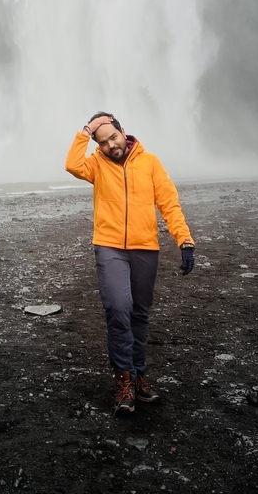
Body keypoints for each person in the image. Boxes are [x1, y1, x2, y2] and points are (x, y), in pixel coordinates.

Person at [65, 111, 195, 416]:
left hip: (145, 249)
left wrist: (185, 240)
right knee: (119, 309)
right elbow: (71, 163)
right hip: (109, 248)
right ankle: (123, 380)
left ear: (123, 132)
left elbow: (168, 203)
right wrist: (86, 130)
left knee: (139, 314)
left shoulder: (150, 163)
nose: (111, 145)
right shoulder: (96, 164)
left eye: (113, 136)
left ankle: (138, 376)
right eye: (104, 141)